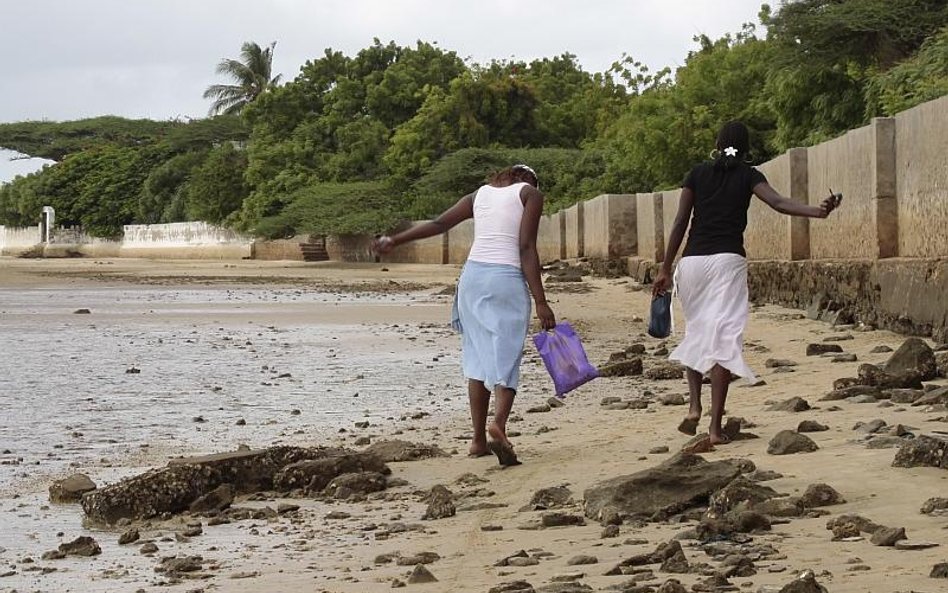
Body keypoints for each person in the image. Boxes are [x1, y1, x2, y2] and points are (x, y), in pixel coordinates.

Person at [652, 121, 841, 446]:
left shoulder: (697, 173)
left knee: (697, 333)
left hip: (693, 263)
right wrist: (817, 212)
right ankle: (714, 429)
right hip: (727, 263)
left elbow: (681, 221)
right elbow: (779, 203)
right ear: (745, 147)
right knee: (723, 341)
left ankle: (695, 406)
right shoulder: (748, 175)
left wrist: (665, 267)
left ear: (717, 143)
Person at [373, 164, 556, 466]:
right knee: (506, 355)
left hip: (471, 280)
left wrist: (395, 240)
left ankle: (477, 441)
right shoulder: (531, 194)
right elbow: (525, 247)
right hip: (505, 278)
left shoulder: (478, 195)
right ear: (529, 180)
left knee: (477, 357)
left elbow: (438, 224)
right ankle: (498, 424)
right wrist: (541, 300)